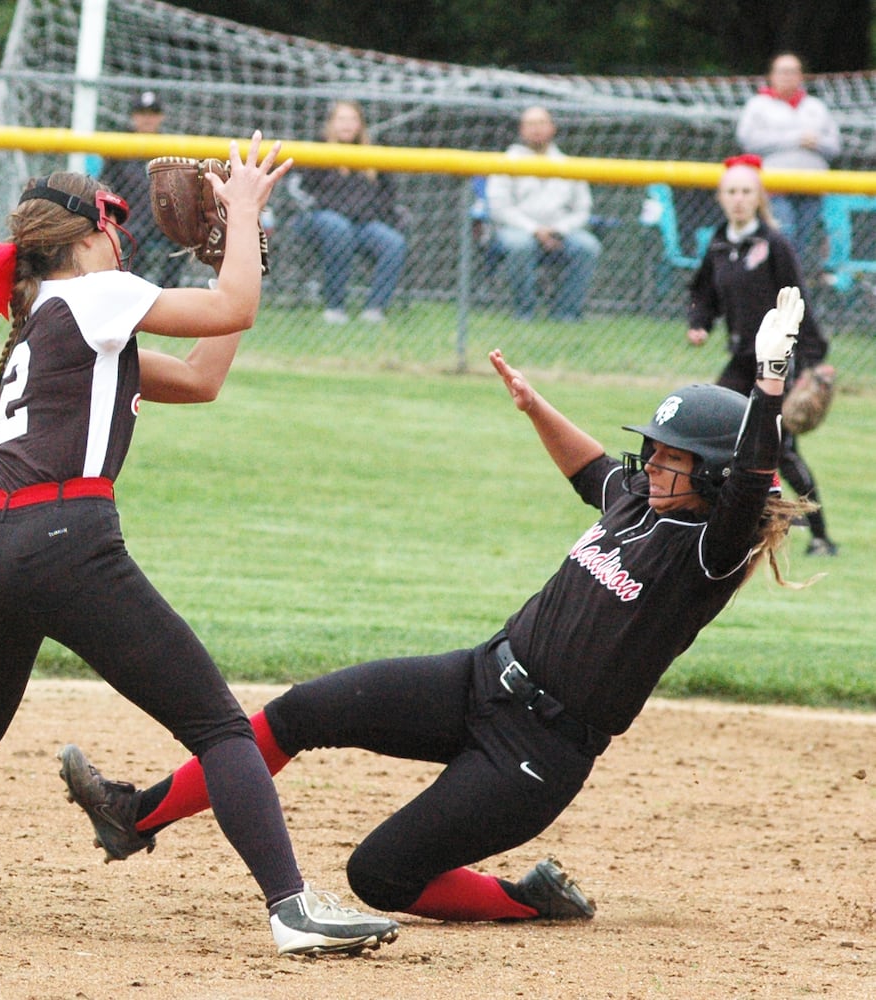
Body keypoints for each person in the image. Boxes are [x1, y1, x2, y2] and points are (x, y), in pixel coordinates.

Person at [0, 137, 401, 957]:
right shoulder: (96, 292)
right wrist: (244, 212)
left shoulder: (57, 320)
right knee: (220, 729)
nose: (123, 238)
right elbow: (234, 310)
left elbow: (205, 372)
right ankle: (291, 909)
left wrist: (241, 251)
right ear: (80, 240)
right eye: (112, 225)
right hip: (64, 541)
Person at [58, 300, 816, 925]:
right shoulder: (633, 502)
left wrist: (770, 382)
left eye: (669, 456)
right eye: (650, 449)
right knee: (299, 713)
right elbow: (587, 466)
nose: (649, 463)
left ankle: (526, 904)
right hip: (477, 678)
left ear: (713, 477)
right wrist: (534, 407)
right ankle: (136, 816)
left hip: (534, 754)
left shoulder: (705, 557)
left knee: (378, 873)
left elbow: (751, 480)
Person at [688, 155, 836, 556]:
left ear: (759, 197)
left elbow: (799, 301)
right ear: (721, 197)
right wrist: (699, 321)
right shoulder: (720, 242)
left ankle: (820, 534)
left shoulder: (774, 244)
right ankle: (713, 518)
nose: (738, 199)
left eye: (746, 191)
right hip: (741, 357)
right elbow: (703, 291)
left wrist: (812, 361)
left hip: (777, 359)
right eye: (731, 191)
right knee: (714, 428)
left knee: (781, 449)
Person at [288, 100, 407, 324]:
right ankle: (335, 307)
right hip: (319, 219)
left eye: (353, 120)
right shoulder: (318, 149)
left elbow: (388, 196)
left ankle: (374, 310)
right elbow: (299, 191)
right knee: (338, 229)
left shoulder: (371, 154)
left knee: (393, 243)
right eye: (341, 119)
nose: (347, 125)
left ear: (360, 124)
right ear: (331, 123)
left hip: (361, 224)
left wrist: (374, 213)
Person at [485, 106, 600, 321]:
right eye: (530, 124)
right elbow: (499, 208)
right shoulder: (507, 161)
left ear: (552, 128)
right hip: (517, 230)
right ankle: (525, 312)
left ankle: (566, 314)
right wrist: (535, 230)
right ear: (521, 129)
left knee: (587, 246)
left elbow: (582, 210)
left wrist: (558, 230)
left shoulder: (569, 164)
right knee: (519, 245)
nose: (536, 129)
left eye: (541, 123)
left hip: (561, 232)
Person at [736, 53, 839, 285]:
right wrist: (795, 138)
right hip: (774, 188)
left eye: (793, 71)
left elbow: (834, 146)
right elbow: (748, 140)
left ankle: (795, 290)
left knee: (805, 242)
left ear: (801, 76)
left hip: (813, 188)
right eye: (782, 71)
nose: (787, 77)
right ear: (771, 75)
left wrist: (817, 142)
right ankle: (773, 286)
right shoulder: (758, 105)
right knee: (784, 236)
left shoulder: (815, 106)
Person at [96, 90, 185, 288]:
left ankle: (167, 291)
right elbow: (106, 186)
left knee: (182, 238)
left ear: (161, 117)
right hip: (130, 220)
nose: (147, 119)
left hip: (161, 220)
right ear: (133, 116)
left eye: (152, 113)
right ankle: (133, 290)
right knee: (134, 239)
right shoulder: (120, 148)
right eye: (142, 113)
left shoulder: (170, 149)